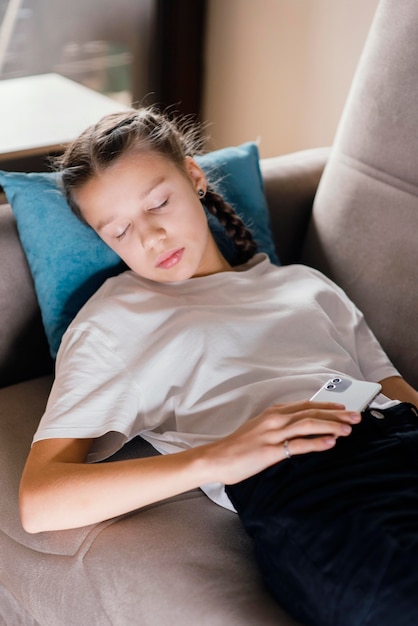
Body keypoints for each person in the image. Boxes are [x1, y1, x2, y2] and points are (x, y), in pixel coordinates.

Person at [19, 107, 418, 626]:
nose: (151, 238)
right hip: (313, 481)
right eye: (118, 231)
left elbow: (394, 388)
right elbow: (40, 500)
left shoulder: (303, 283)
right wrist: (218, 458)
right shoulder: (113, 321)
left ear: (194, 176)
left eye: (159, 202)